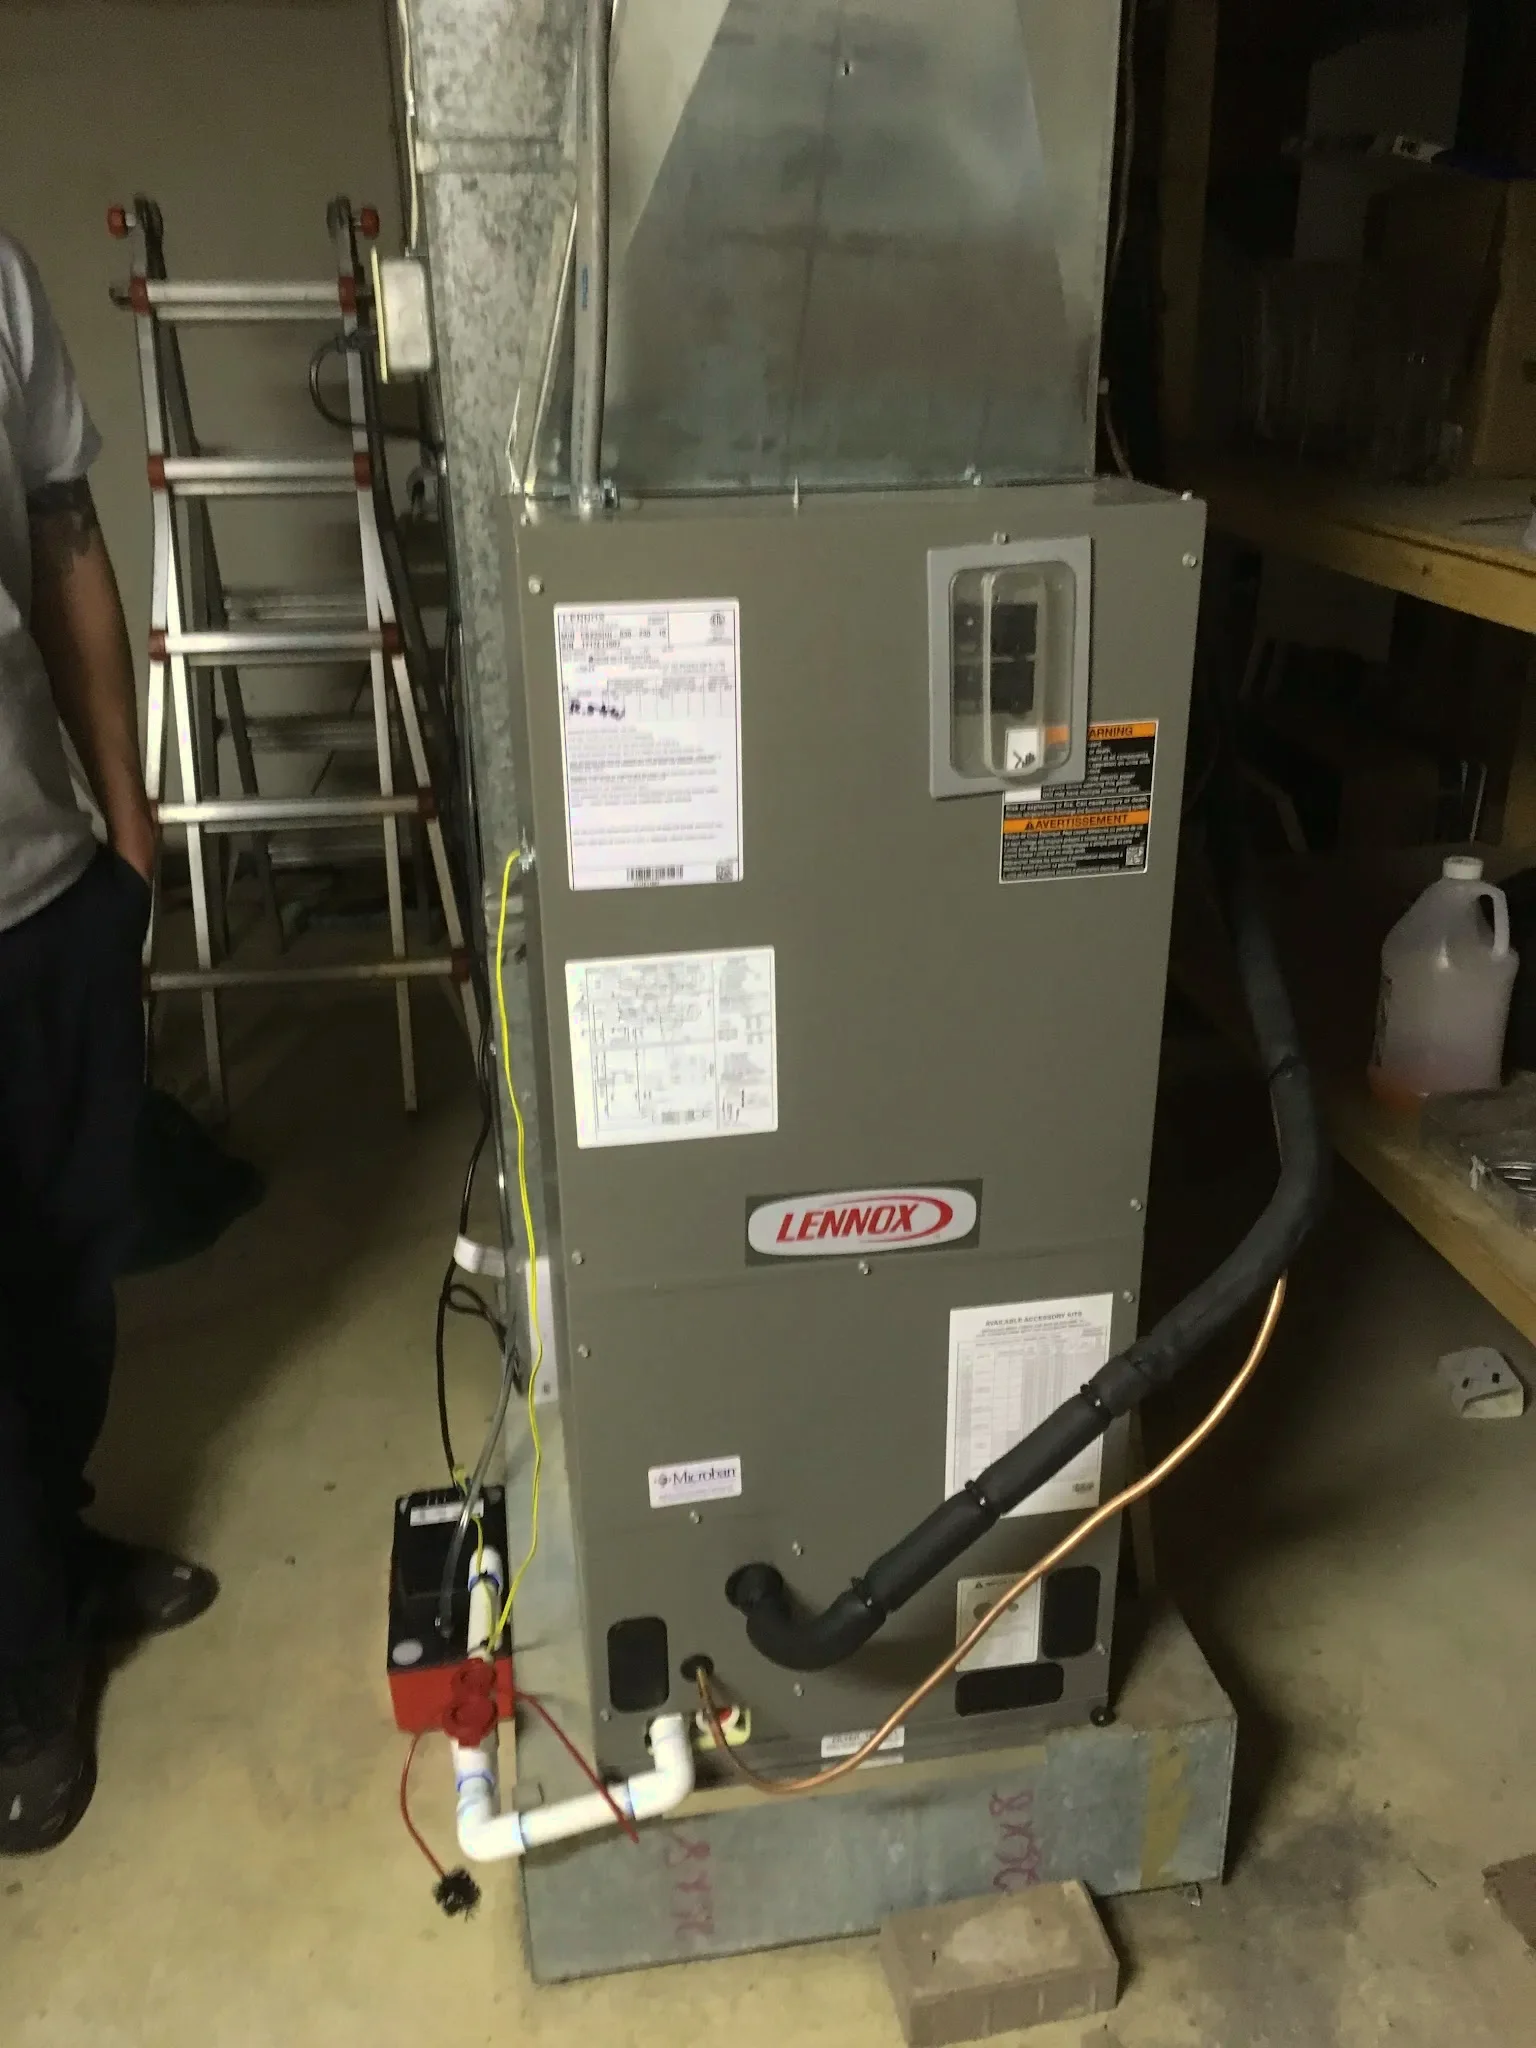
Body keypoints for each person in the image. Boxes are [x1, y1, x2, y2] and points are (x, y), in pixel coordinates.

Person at [0, 232, 217, 1854]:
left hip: (43, 888)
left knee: (68, 1276)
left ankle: (55, 1564)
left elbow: (62, 531)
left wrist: (127, 831)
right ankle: (23, 1683)